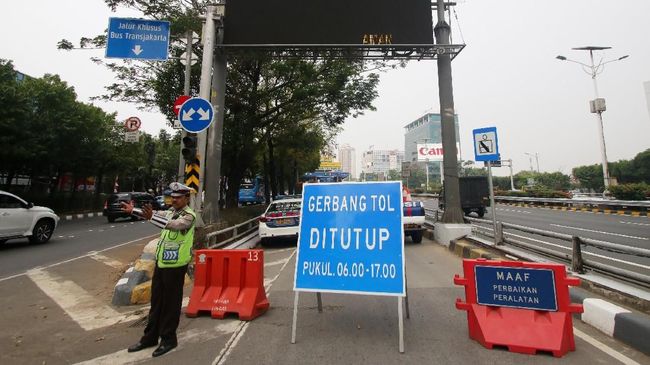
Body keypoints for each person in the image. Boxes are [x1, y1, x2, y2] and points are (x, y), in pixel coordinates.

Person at [121, 182, 196, 357]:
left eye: (178, 198)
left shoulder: (189, 216)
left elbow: (173, 225)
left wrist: (151, 218)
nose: (174, 200)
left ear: (186, 198)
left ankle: (169, 339)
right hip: (162, 264)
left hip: (176, 267)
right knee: (156, 303)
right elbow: (153, 214)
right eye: (173, 197)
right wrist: (134, 210)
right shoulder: (169, 212)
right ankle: (150, 337)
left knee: (171, 304)